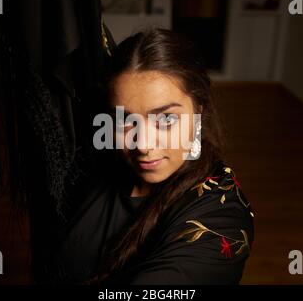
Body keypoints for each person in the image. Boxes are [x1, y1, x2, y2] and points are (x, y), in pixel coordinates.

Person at [55, 28, 254, 285]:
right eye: (125, 120)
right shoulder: (96, 164)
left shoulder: (222, 217)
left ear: (199, 110)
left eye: (166, 118)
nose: (144, 144)